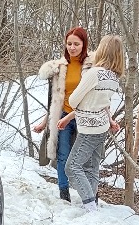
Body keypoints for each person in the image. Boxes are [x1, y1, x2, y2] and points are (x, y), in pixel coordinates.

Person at [62, 34, 125, 210]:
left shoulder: (94, 73)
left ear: (103, 51)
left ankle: (90, 206)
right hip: (102, 126)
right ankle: (92, 205)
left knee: (72, 167)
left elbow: (73, 100)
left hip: (89, 128)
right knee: (91, 167)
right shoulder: (114, 77)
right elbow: (103, 104)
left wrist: (74, 109)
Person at [31, 26, 89, 201]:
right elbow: (54, 101)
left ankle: (89, 194)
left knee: (85, 158)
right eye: (69, 43)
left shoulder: (90, 66)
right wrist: (45, 122)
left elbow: (97, 96)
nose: (72, 47)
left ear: (83, 44)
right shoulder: (59, 67)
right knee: (62, 155)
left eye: (76, 44)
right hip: (63, 116)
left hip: (84, 117)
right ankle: (64, 194)